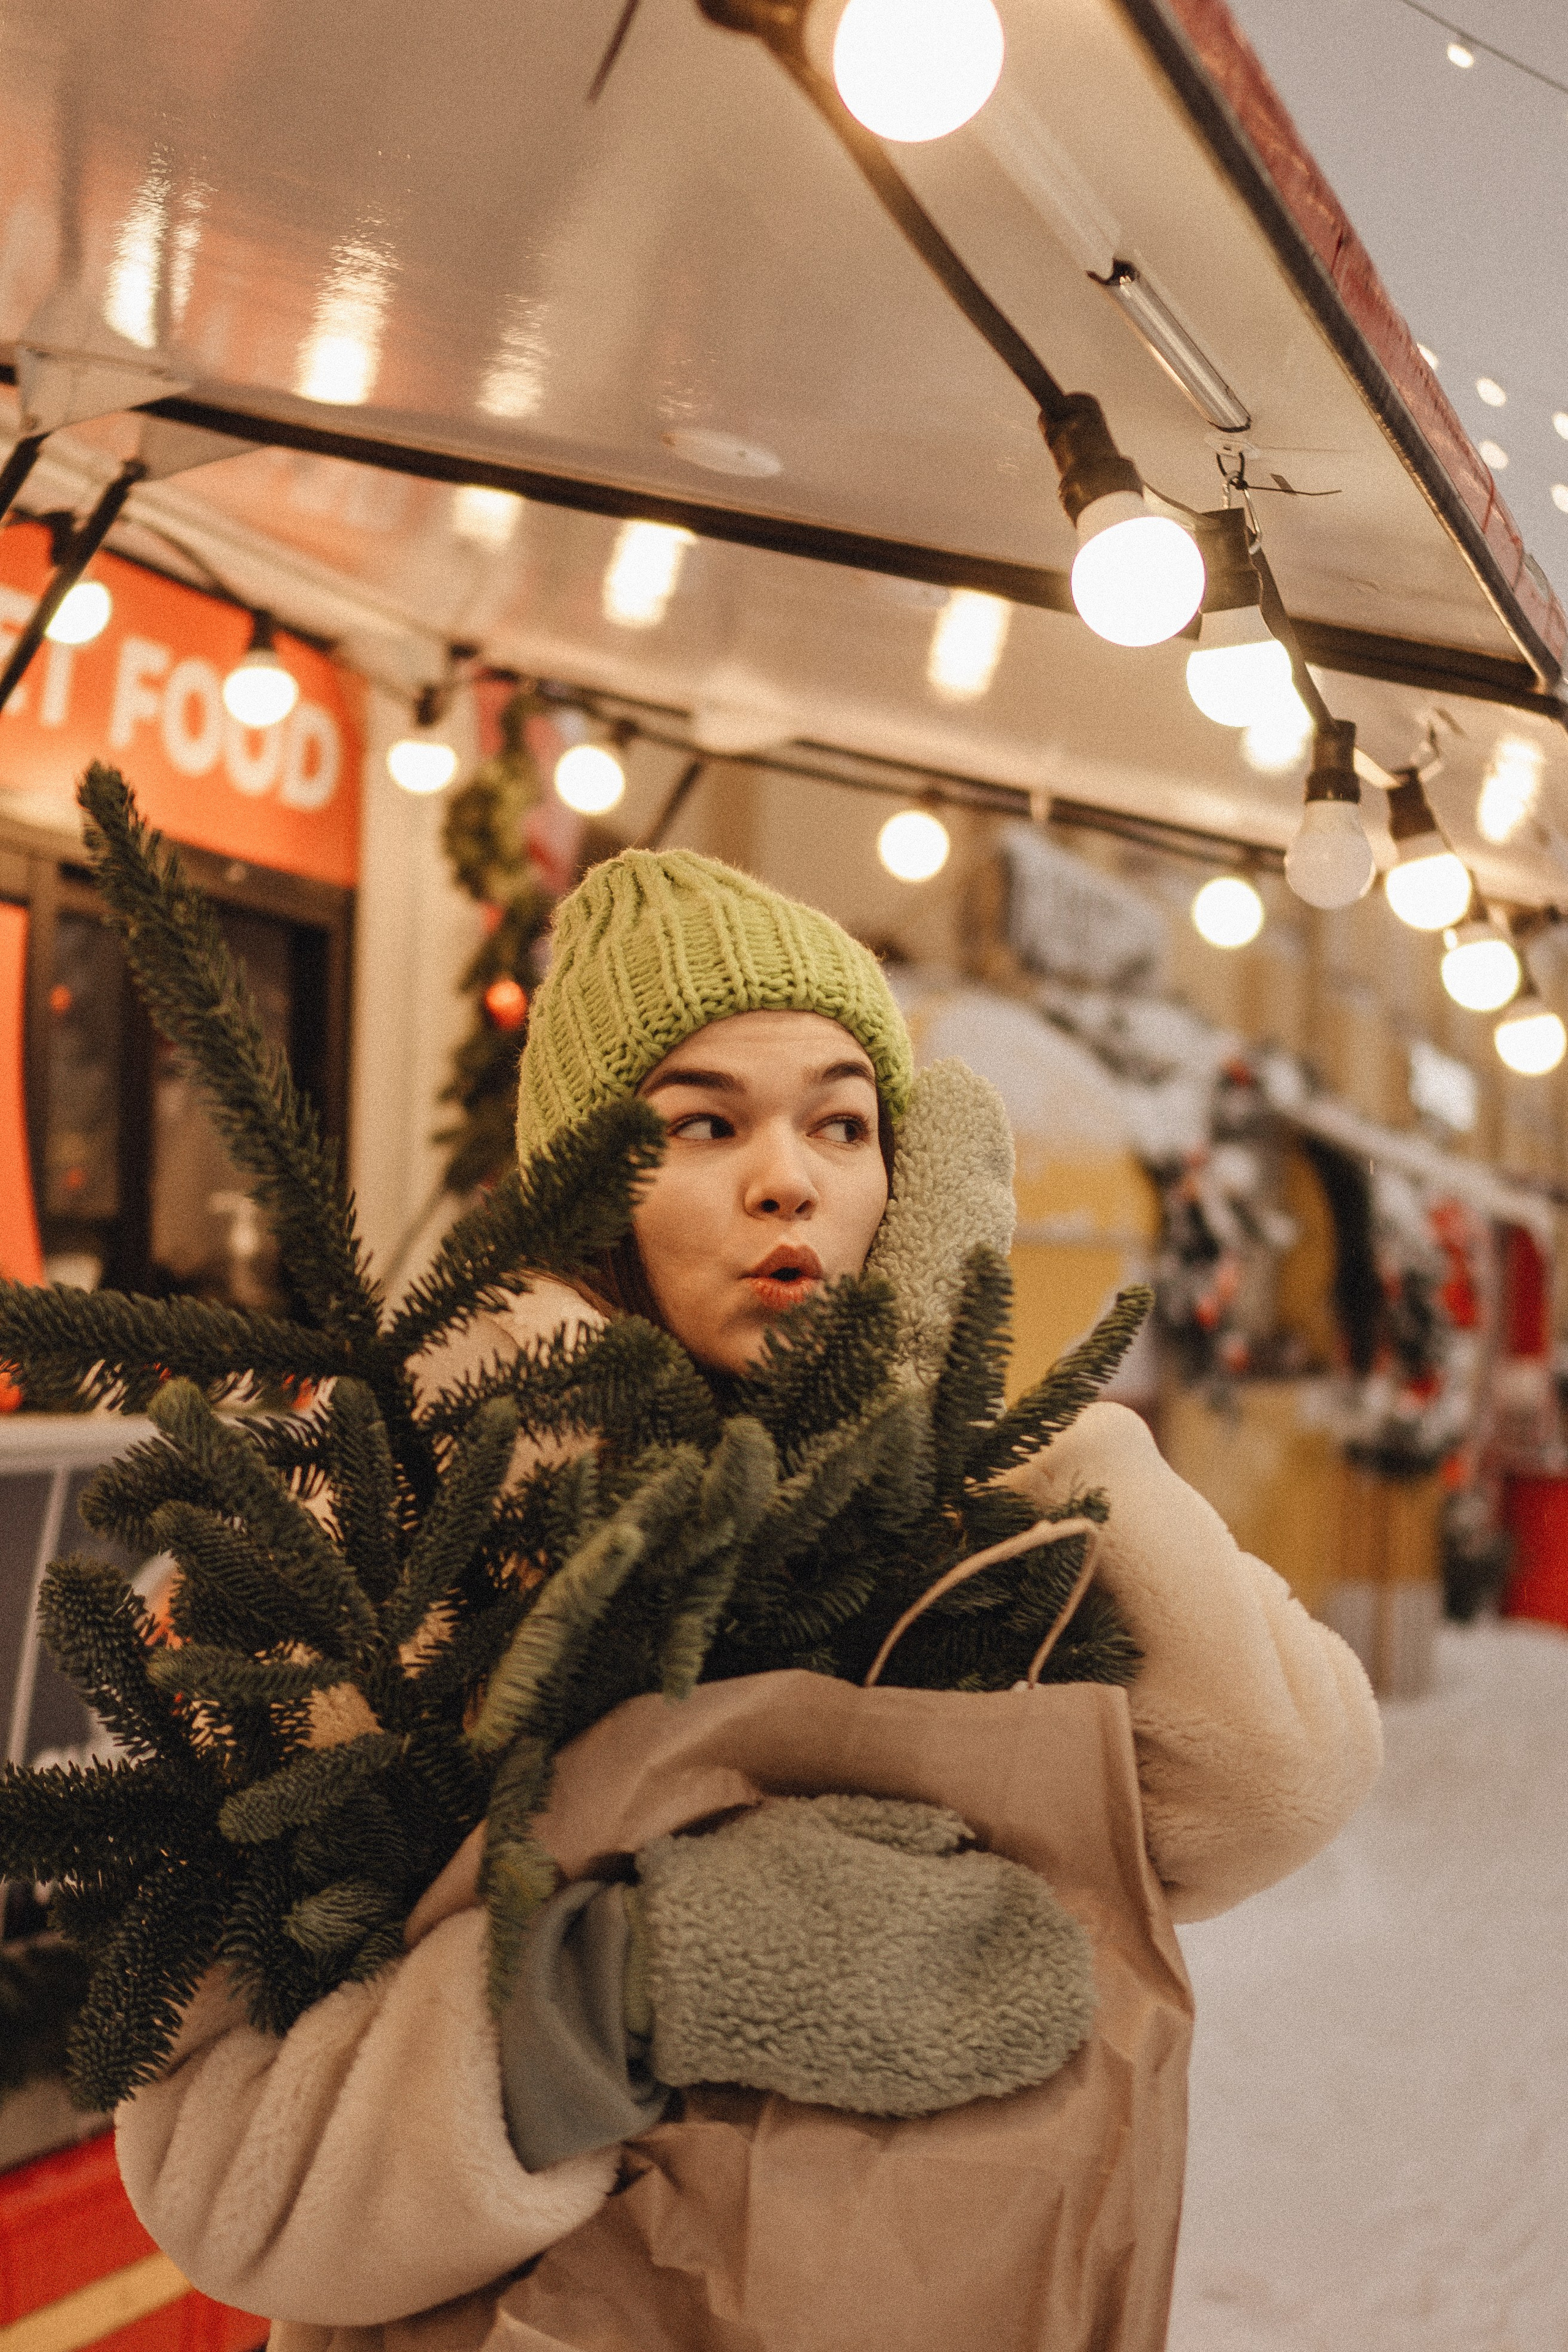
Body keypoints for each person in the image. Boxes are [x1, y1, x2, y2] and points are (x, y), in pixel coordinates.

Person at [116, 849, 1382, 2347]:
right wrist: (605, 1993)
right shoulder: (376, 1535)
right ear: (583, 1188)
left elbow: (1274, 1786)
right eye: (702, 1123)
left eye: (842, 1123)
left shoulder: (941, 1535)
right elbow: (215, 2175)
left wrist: (1040, 1451)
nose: (788, 1176)